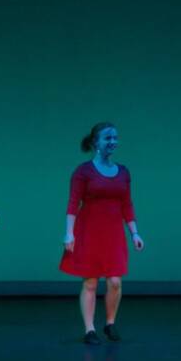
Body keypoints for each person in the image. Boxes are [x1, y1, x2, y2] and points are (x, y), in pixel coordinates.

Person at [60, 122, 144, 345]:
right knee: (90, 282)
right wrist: (69, 234)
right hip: (89, 231)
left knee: (115, 281)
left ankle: (110, 323)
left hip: (113, 233)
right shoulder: (83, 171)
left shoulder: (123, 172)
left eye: (115, 138)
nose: (113, 142)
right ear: (96, 142)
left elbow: (127, 204)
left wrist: (135, 233)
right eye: (108, 138)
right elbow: (72, 204)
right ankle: (90, 329)